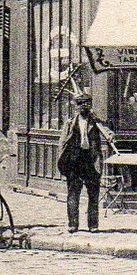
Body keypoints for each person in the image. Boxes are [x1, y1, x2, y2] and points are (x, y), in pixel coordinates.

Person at [55, 91, 115, 233]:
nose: (84, 107)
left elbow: (107, 131)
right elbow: (62, 143)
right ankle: (73, 224)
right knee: (73, 193)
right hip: (75, 161)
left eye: (87, 104)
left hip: (90, 160)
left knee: (93, 194)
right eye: (81, 104)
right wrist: (64, 162)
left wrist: (111, 136)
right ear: (76, 106)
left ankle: (93, 225)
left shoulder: (96, 122)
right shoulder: (70, 123)